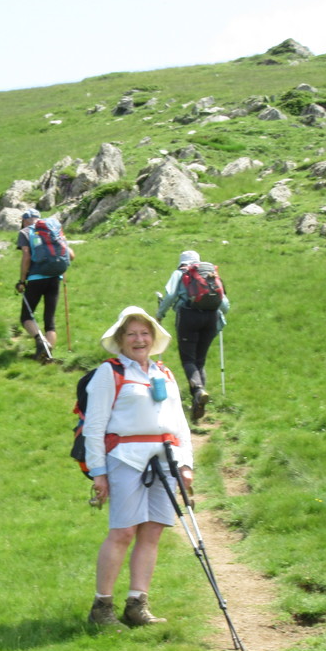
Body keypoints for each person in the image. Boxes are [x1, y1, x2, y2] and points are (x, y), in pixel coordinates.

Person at [82, 306, 194, 628]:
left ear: (153, 338)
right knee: (123, 531)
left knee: (153, 531)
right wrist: (98, 472)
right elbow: (94, 426)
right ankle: (102, 608)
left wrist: (186, 465)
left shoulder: (164, 374)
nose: (139, 339)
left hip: (165, 459)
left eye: (145, 333)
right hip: (125, 458)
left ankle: (137, 605)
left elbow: (180, 425)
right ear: (120, 340)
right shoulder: (110, 372)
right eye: (131, 334)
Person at [156, 249, 231, 422]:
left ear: (181, 262)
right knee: (200, 360)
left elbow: (170, 295)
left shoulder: (180, 273)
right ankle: (198, 400)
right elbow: (225, 305)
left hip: (188, 316)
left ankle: (198, 391)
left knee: (188, 360)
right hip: (211, 318)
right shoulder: (210, 275)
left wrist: (160, 314)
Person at [15, 209, 74, 363]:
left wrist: (22, 281)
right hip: (55, 278)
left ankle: (40, 341)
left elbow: (26, 255)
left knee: (26, 317)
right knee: (50, 320)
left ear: (25, 221)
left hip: (36, 278)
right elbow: (71, 255)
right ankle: (47, 357)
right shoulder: (53, 230)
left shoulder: (25, 232)